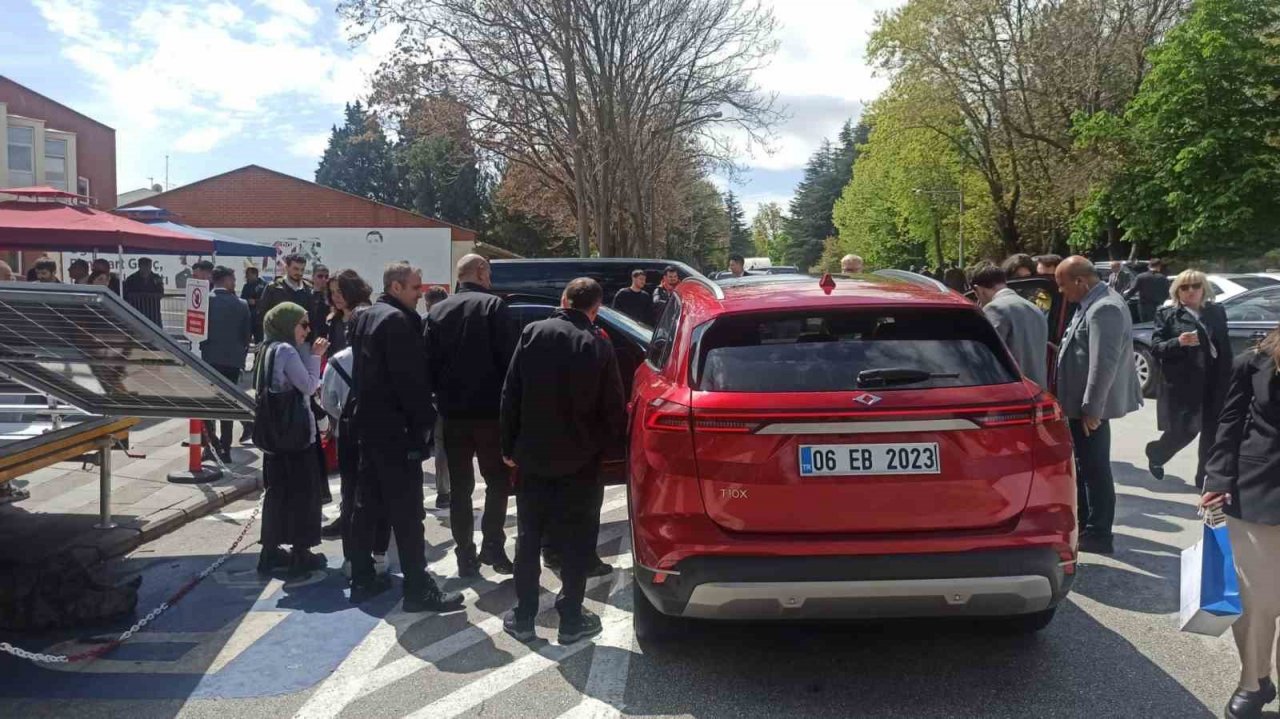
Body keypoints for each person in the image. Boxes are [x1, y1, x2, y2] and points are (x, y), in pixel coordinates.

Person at [500, 277, 627, 645]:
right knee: (576, 538)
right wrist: (607, 449)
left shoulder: (533, 333)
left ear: (564, 299)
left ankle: (524, 614)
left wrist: (508, 446)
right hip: (581, 460)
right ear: (595, 309)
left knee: (529, 536)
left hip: (534, 455)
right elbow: (613, 406)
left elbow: (511, 393)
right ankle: (571, 618)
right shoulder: (599, 343)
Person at [349, 262, 463, 612]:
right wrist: (424, 423)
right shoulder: (397, 321)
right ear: (396, 287)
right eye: (415, 288)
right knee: (408, 513)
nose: (420, 294)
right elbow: (410, 383)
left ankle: (362, 575)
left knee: (367, 506)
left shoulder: (366, 316)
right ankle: (417, 588)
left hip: (370, 427)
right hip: (396, 432)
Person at [1202, 326, 1280, 719]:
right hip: (1257, 493)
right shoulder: (1253, 362)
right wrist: (1217, 478)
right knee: (1256, 602)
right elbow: (1228, 423)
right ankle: (1255, 680)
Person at [424, 254, 519, 577]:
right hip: (490, 413)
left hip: (452, 415)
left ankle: (465, 553)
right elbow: (510, 364)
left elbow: (428, 365)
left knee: (460, 488)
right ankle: (492, 544)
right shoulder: (494, 306)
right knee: (497, 481)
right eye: (488, 272)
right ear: (479, 272)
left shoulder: (436, 311)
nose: (490, 278)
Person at [1054, 256, 1142, 555]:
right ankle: (1087, 525)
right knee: (1086, 465)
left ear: (1080, 281)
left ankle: (1098, 533)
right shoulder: (1092, 302)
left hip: (1088, 408)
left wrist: (1093, 408)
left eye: (1063, 285)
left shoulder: (1105, 307)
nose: (1061, 291)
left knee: (1094, 468)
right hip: (1081, 406)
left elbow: (1103, 364)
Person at [255, 302, 328, 576]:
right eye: (303, 325)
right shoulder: (286, 350)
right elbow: (308, 386)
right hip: (296, 436)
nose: (307, 332)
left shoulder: (266, 348)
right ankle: (301, 553)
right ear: (287, 325)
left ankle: (270, 551)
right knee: (303, 494)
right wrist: (316, 356)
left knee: (277, 494)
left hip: (272, 436)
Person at [318, 304, 390, 576]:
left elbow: (328, 402)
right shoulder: (385, 357)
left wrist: (345, 418)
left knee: (350, 496)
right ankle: (380, 554)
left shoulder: (337, 361)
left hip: (347, 435)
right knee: (381, 494)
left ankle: (351, 559)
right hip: (381, 433)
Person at [1145, 270, 1232, 486]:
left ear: (1204, 288)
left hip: (1214, 381)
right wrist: (1178, 342)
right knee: (1185, 431)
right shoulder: (1168, 314)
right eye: (1184, 287)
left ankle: (1204, 479)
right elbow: (1156, 347)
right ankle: (1157, 453)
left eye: (1195, 286)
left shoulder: (1216, 311)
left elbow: (1225, 346)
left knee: (1212, 433)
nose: (1191, 291)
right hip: (1183, 384)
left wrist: (1231, 376)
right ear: (1177, 291)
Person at [200, 266, 252, 463]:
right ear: (227, 280)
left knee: (207, 405)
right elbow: (246, 336)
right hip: (232, 361)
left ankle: (211, 445)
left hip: (208, 360)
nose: (235, 283)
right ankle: (226, 448)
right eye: (233, 279)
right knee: (228, 406)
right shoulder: (242, 304)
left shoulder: (204, 301)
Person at [972, 264, 1048, 388]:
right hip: (1037, 389)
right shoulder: (1034, 308)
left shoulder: (995, 308)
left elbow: (985, 355)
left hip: (1011, 389)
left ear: (978, 289)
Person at [425, 286, 452, 510]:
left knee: (439, 444)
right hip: (446, 394)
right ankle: (447, 491)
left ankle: (444, 492)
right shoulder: (454, 323)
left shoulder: (421, 323)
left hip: (429, 393)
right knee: (445, 444)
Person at [324, 269, 370, 357]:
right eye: (332, 292)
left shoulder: (365, 317)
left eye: (340, 291)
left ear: (352, 290)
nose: (335, 296)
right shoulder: (334, 320)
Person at [259, 254, 313, 322]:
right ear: (287, 267)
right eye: (296, 269)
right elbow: (262, 315)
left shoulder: (308, 290)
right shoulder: (273, 288)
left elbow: (312, 318)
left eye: (302, 269)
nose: (299, 273)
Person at [123, 257, 165, 326]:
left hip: (153, 313)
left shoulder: (156, 278)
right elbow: (126, 294)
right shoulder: (131, 279)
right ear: (139, 266)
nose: (146, 268)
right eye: (144, 266)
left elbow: (161, 293)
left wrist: (149, 296)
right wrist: (138, 296)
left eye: (148, 266)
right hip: (137, 312)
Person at [1132, 258, 1171, 322]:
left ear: (1149, 266)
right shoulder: (1163, 278)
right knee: (1157, 324)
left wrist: (1123, 299)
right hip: (1159, 306)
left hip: (1144, 306)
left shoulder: (1140, 277)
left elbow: (1132, 290)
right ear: (1159, 266)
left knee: (1145, 325)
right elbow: (1168, 293)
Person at [241, 266, 267, 344]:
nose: (246, 277)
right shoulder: (246, 286)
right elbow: (242, 299)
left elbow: (267, 301)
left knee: (259, 341)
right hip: (248, 318)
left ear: (255, 274)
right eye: (246, 274)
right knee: (245, 340)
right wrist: (246, 301)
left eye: (248, 274)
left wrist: (255, 302)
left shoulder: (264, 285)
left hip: (259, 319)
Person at [309, 264, 332, 341]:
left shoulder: (332, 297)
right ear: (313, 277)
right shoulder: (307, 295)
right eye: (320, 276)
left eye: (326, 277)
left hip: (326, 339)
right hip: (308, 338)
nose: (324, 279)